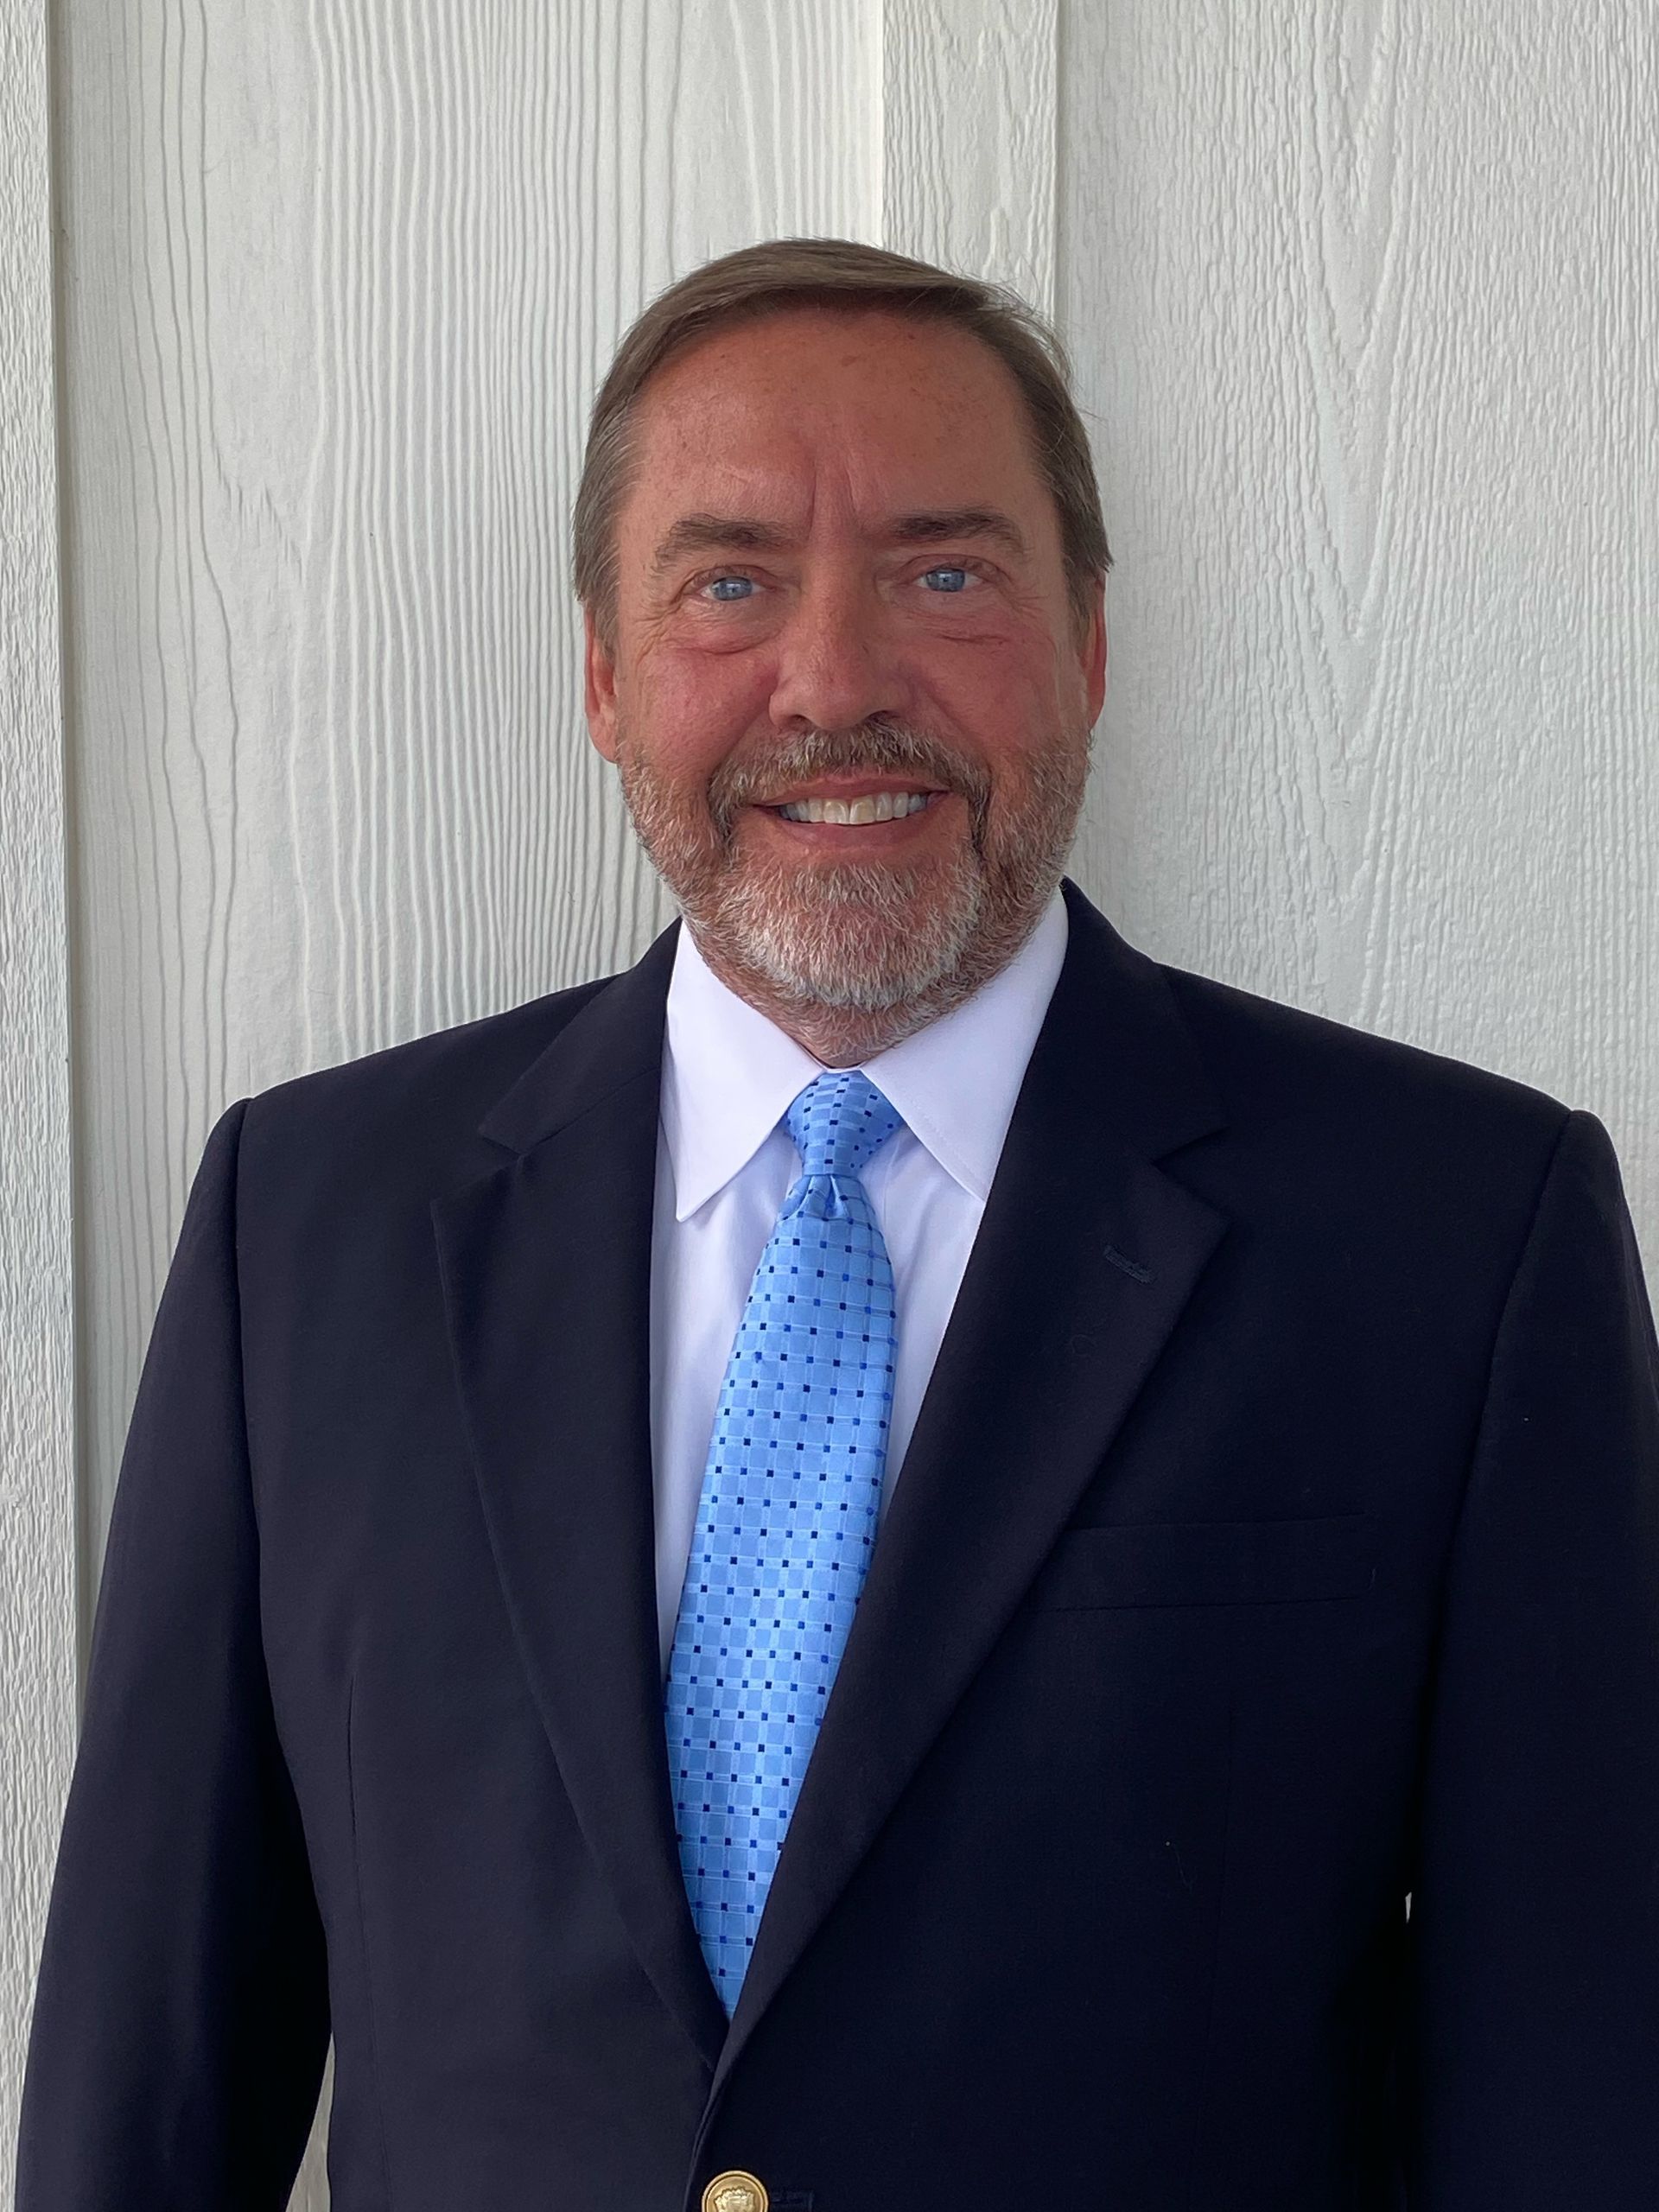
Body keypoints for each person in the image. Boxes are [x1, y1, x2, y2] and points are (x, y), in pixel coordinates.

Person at [16, 238, 1659, 2211]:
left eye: (947, 572)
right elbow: (152, 2072)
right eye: (728, 581)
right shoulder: (309, 1226)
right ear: (609, 680)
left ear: (1091, 646)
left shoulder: (1453, 1236)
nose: (838, 679)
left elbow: (1575, 2070)